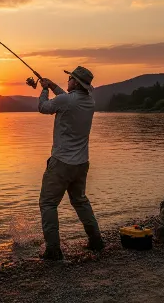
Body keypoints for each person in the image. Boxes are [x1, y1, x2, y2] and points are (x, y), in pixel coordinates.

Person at [37, 66, 104, 260]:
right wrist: (52, 85)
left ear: (75, 82)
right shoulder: (89, 101)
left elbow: (43, 107)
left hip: (61, 163)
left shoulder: (67, 100)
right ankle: (96, 240)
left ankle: (53, 250)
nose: (68, 82)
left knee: (48, 203)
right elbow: (65, 98)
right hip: (82, 163)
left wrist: (43, 89)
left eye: (70, 79)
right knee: (80, 201)